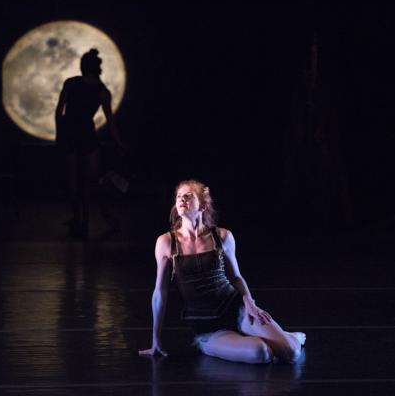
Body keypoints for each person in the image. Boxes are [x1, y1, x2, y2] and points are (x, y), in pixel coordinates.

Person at [139, 180, 306, 363]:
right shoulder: (166, 242)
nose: (182, 199)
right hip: (208, 327)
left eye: (188, 196)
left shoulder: (222, 236)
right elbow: (159, 293)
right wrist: (156, 341)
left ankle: (290, 338)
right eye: (179, 196)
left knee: (292, 352)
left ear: (202, 205)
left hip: (236, 309)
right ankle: (265, 339)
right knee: (262, 354)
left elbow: (235, 277)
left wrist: (250, 303)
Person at [55, 48, 124, 238]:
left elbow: (59, 113)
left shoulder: (73, 84)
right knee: (87, 181)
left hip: (74, 135)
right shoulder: (102, 91)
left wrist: (59, 135)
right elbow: (111, 121)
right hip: (85, 135)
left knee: (76, 182)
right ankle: (83, 219)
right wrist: (118, 142)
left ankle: (80, 218)